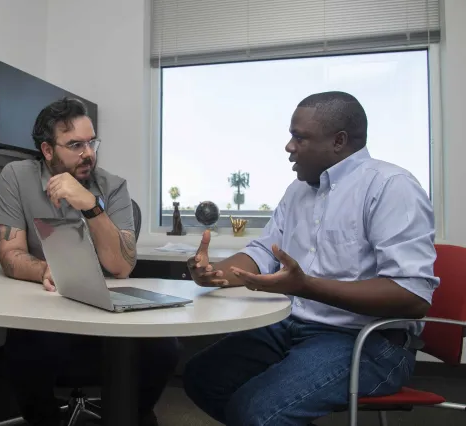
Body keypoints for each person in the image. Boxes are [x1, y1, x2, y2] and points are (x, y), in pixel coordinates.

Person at [182, 91, 439, 426]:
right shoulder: (299, 190)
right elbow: (263, 252)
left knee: (256, 411)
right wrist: (215, 273)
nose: (289, 146)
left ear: (339, 141)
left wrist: (306, 286)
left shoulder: (392, 187)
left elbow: (412, 296)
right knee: (201, 377)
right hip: (295, 325)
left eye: (298, 137)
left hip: (369, 341)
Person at [0, 97, 178, 426]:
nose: (88, 153)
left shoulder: (113, 187)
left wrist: (90, 205)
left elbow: (121, 266)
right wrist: (47, 270)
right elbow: (11, 254)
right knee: (26, 350)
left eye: (91, 142)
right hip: (48, 308)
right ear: (47, 150)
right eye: (75, 144)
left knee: (164, 350)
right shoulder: (16, 177)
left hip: (108, 312)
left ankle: (128, 415)